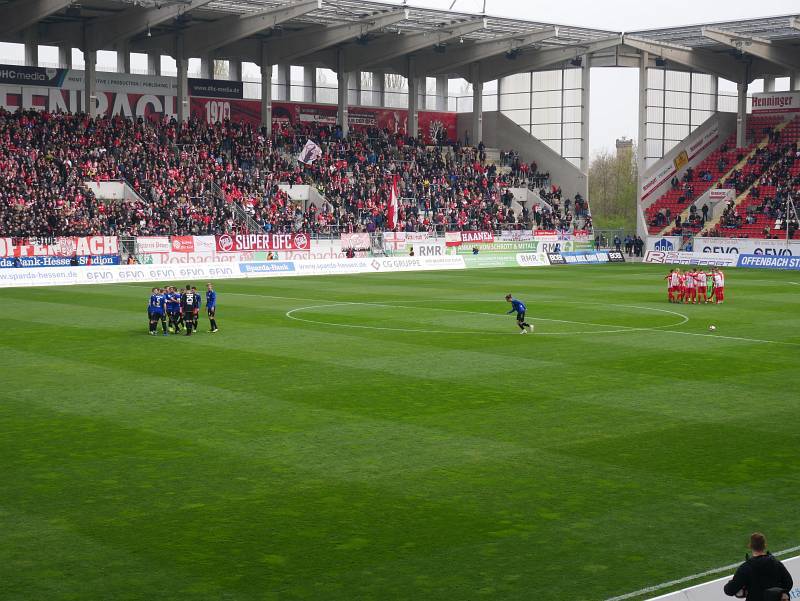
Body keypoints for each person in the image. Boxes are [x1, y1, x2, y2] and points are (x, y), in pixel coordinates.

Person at [723, 533, 793, 601]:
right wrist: (775, 594)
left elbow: (729, 590)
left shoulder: (745, 568)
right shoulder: (776, 563)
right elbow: (789, 583)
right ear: (765, 545)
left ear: (750, 546)